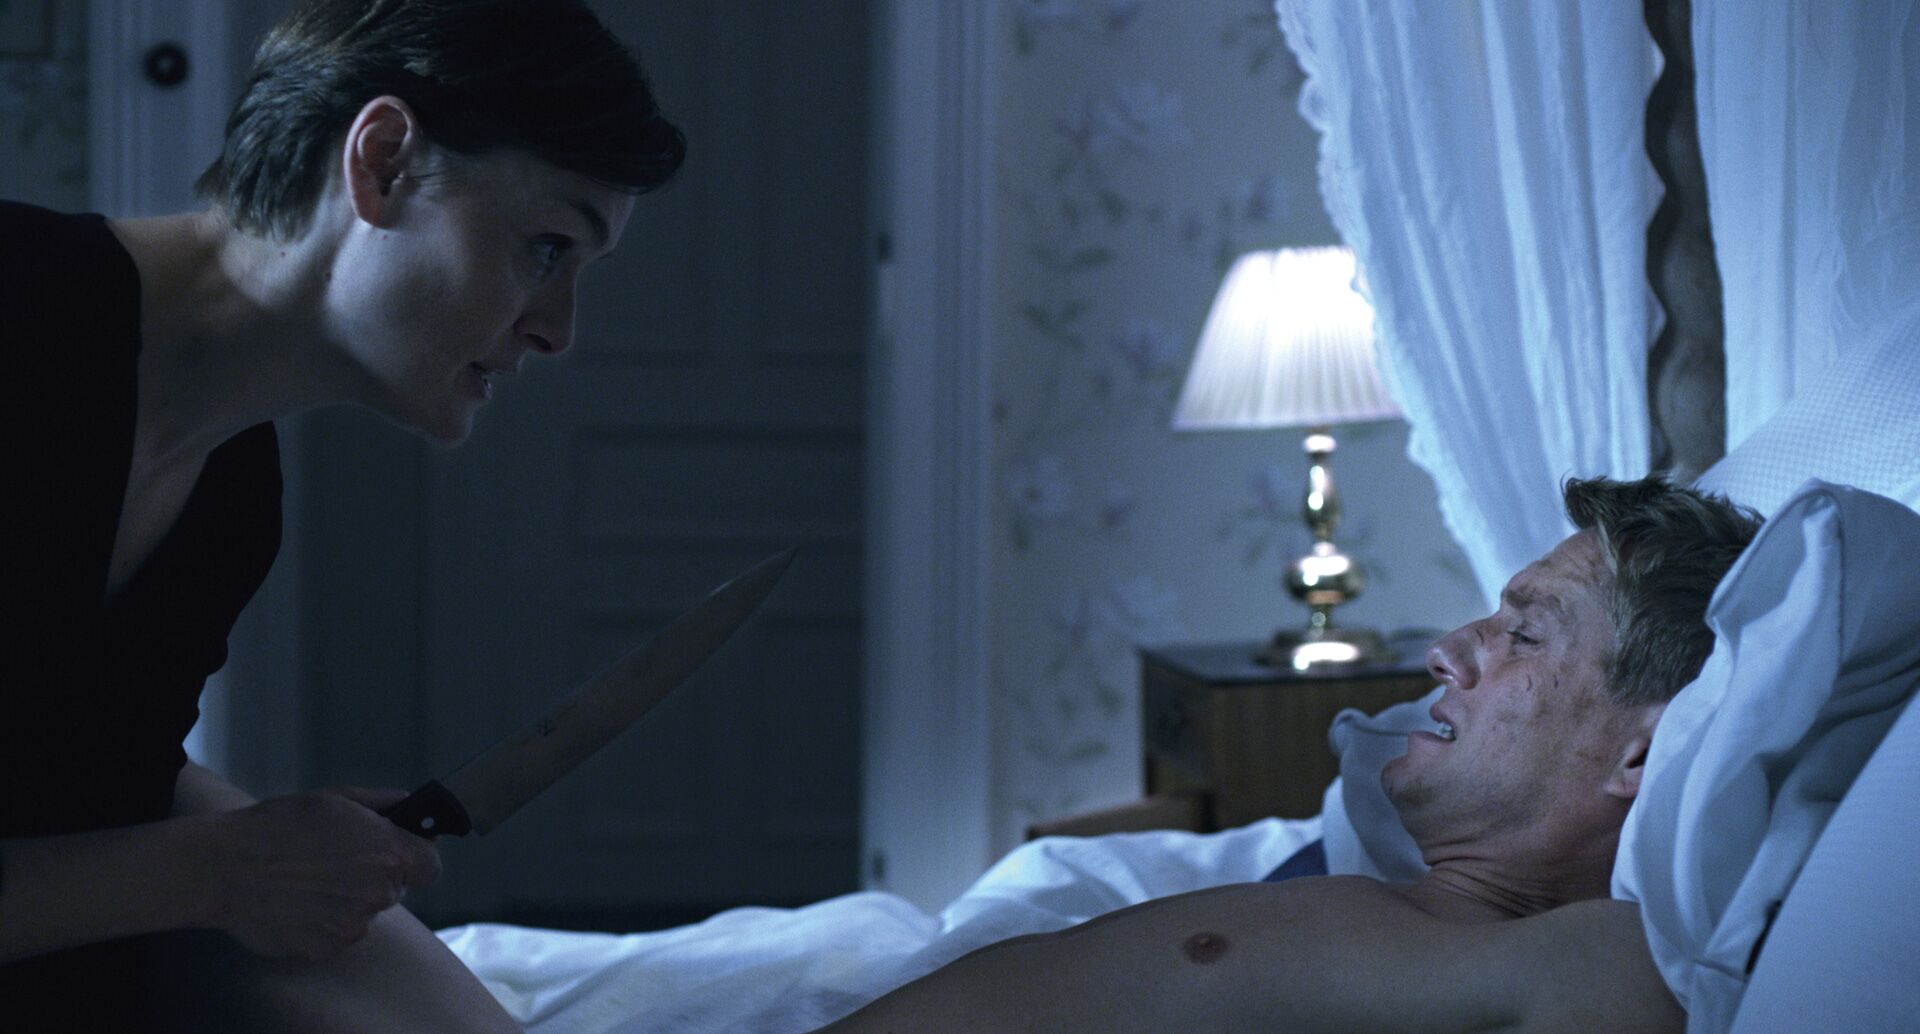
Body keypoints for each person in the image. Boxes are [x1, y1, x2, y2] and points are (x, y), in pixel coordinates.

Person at [0, 1, 683, 1029]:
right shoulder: (18, 312)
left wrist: (280, 850)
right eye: (547, 247)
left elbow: (85, 793)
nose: (557, 330)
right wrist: (219, 870)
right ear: (385, 161)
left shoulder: (232, 502)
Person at [820, 474, 1762, 1033]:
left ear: (1641, 755)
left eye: (1524, 635)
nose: (1447, 651)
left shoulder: (1593, 961)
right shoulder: (1400, 916)